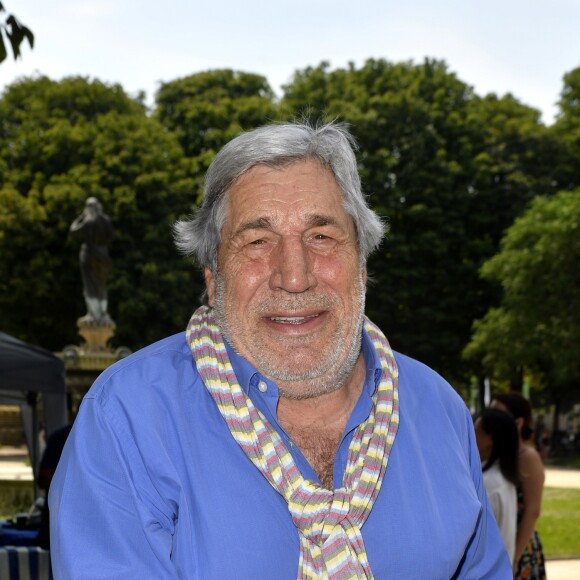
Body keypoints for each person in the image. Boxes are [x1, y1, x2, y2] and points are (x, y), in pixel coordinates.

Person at [50, 122, 511, 578]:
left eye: (322, 236)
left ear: (362, 266)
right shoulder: (127, 419)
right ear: (212, 280)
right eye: (257, 241)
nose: (294, 276)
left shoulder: (440, 412)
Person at [492, 392, 546, 579]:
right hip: (499, 538)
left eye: (498, 413)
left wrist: (515, 556)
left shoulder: (528, 457)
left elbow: (533, 510)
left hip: (518, 544)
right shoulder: (494, 453)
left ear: (518, 422)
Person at [475, 408, 519, 565]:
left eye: (476, 431)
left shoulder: (487, 483)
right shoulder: (504, 479)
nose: (470, 436)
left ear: (490, 439)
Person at [69, 196, 114, 324]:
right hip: (104, 257)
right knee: (102, 286)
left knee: (90, 286)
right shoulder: (106, 220)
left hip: (88, 256)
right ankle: (103, 313)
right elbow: (110, 238)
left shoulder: (88, 220)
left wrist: (81, 216)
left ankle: (93, 314)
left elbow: (72, 230)